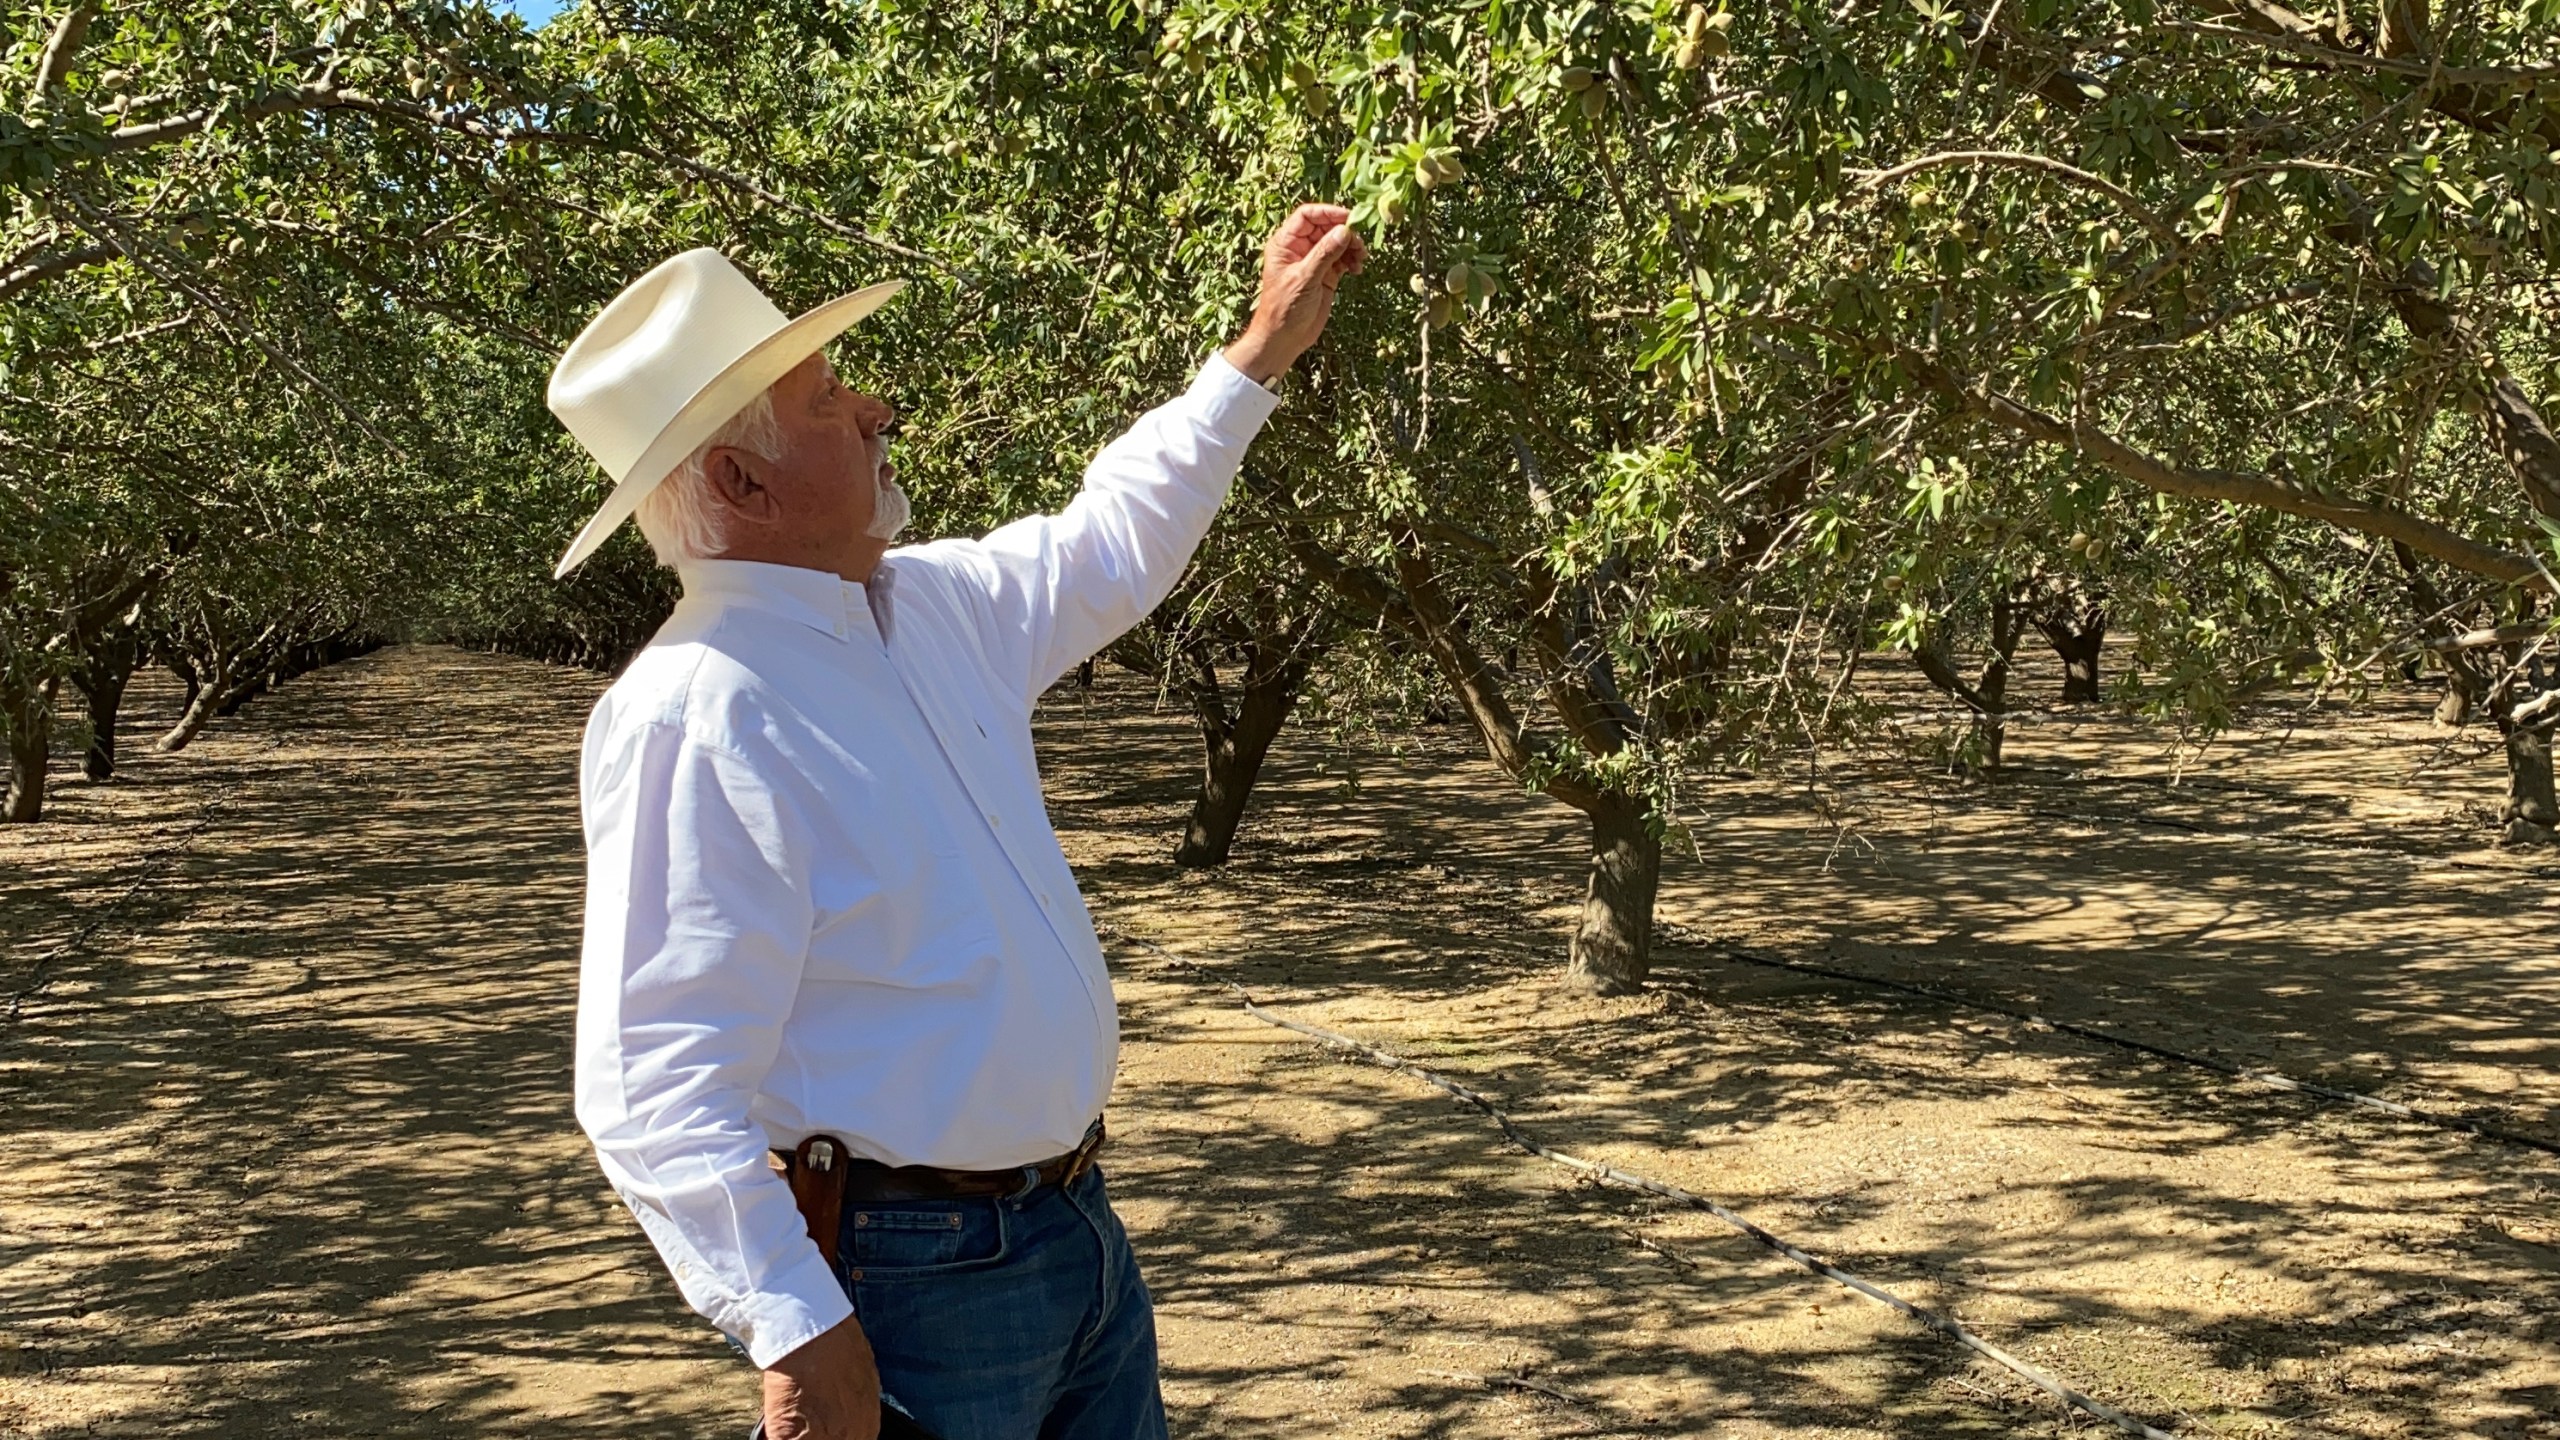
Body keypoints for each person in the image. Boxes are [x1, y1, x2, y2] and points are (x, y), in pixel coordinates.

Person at [541, 203, 1367, 1440]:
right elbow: (652, 1080)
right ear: (738, 478)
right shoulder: (697, 711)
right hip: (910, 1278)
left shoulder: (924, 606)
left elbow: (1112, 536)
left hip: (1071, 1224)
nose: (875, 412)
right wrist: (796, 1327)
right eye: (829, 403)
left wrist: (1255, 358)